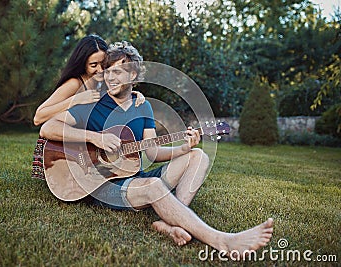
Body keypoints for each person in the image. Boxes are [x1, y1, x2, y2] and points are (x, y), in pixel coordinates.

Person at [39, 41, 273, 259]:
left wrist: (182, 147)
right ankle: (223, 241)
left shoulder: (144, 106)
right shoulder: (93, 104)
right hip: (103, 185)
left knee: (197, 156)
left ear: (133, 75)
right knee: (152, 186)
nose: (109, 77)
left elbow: (151, 153)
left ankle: (172, 224)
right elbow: (48, 127)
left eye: (117, 71)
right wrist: (95, 137)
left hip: (134, 177)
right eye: (107, 71)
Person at [31, 34, 144, 180]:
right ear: (83, 64)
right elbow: (38, 117)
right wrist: (76, 99)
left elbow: (118, 91)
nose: (100, 70)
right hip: (58, 147)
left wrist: (134, 93)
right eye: (93, 65)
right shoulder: (74, 84)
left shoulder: (101, 82)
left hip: (83, 147)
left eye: (103, 64)